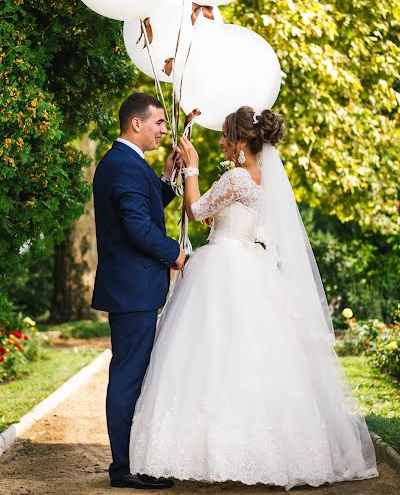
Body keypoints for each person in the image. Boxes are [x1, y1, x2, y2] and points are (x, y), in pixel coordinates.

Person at [128, 106, 378, 491]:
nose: (222, 142)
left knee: (211, 354)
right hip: (246, 263)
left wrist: (190, 167)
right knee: (245, 355)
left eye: (227, 136)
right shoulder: (258, 177)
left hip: (223, 266)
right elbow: (224, 216)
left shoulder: (235, 177)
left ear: (242, 141)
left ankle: (215, 451)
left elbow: (195, 211)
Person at [92, 93, 185, 489]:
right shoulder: (123, 165)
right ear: (136, 123)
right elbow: (138, 228)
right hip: (132, 291)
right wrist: (175, 254)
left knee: (134, 373)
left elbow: (145, 208)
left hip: (135, 289)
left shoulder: (128, 163)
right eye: (159, 123)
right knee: (128, 376)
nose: (164, 130)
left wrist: (165, 179)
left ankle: (133, 460)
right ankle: (124, 469)